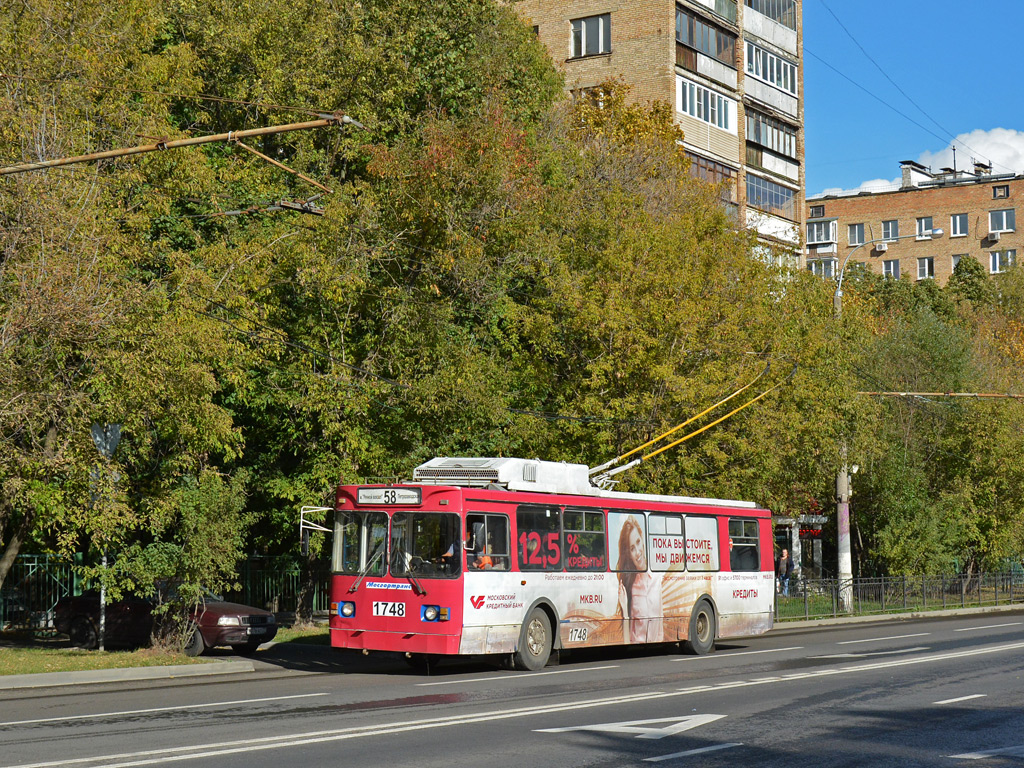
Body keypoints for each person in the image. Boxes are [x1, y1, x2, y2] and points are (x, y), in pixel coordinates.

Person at [616, 515, 663, 643]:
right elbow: (626, 642)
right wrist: (625, 609)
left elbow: (660, 631)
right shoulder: (630, 587)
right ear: (629, 555)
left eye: (638, 542)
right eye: (632, 549)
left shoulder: (658, 580)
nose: (638, 552)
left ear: (642, 539)